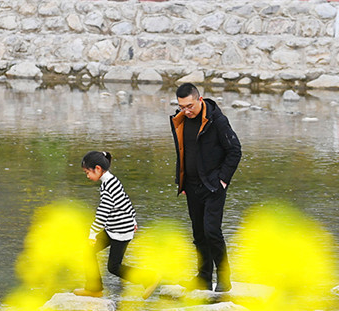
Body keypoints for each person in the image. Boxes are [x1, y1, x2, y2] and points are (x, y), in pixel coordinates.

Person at [170, 83, 242, 292]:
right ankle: (203, 277)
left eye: (190, 106)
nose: (186, 110)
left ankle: (224, 278)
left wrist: (222, 180)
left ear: (199, 100)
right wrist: (181, 180)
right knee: (198, 233)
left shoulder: (217, 120)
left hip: (213, 186)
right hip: (191, 185)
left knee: (212, 231)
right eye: (182, 106)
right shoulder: (181, 119)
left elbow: (235, 151)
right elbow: (182, 151)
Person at [74, 151, 161, 299]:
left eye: (88, 172)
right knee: (87, 251)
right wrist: (133, 219)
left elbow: (102, 213)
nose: (87, 176)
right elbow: (125, 200)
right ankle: (94, 288)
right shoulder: (112, 181)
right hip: (116, 228)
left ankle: (149, 278)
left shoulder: (109, 186)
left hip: (120, 231)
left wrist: (92, 234)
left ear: (98, 169)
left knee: (114, 267)